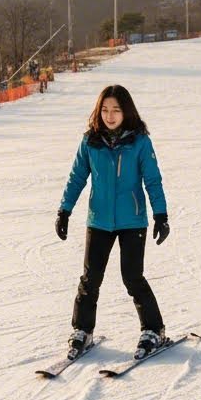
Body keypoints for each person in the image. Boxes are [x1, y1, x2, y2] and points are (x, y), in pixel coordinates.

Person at [57, 85, 170, 360]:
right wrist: (64, 210)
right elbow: (76, 177)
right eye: (105, 110)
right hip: (99, 220)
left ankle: (154, 329)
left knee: (132, 277)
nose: (110, 116)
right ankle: (82, 330)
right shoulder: (90, 141)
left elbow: (152, 180)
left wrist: (161, 214)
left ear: (126, 111)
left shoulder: (140, 141)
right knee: (90, 278)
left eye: (116, 110)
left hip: (132, 220)